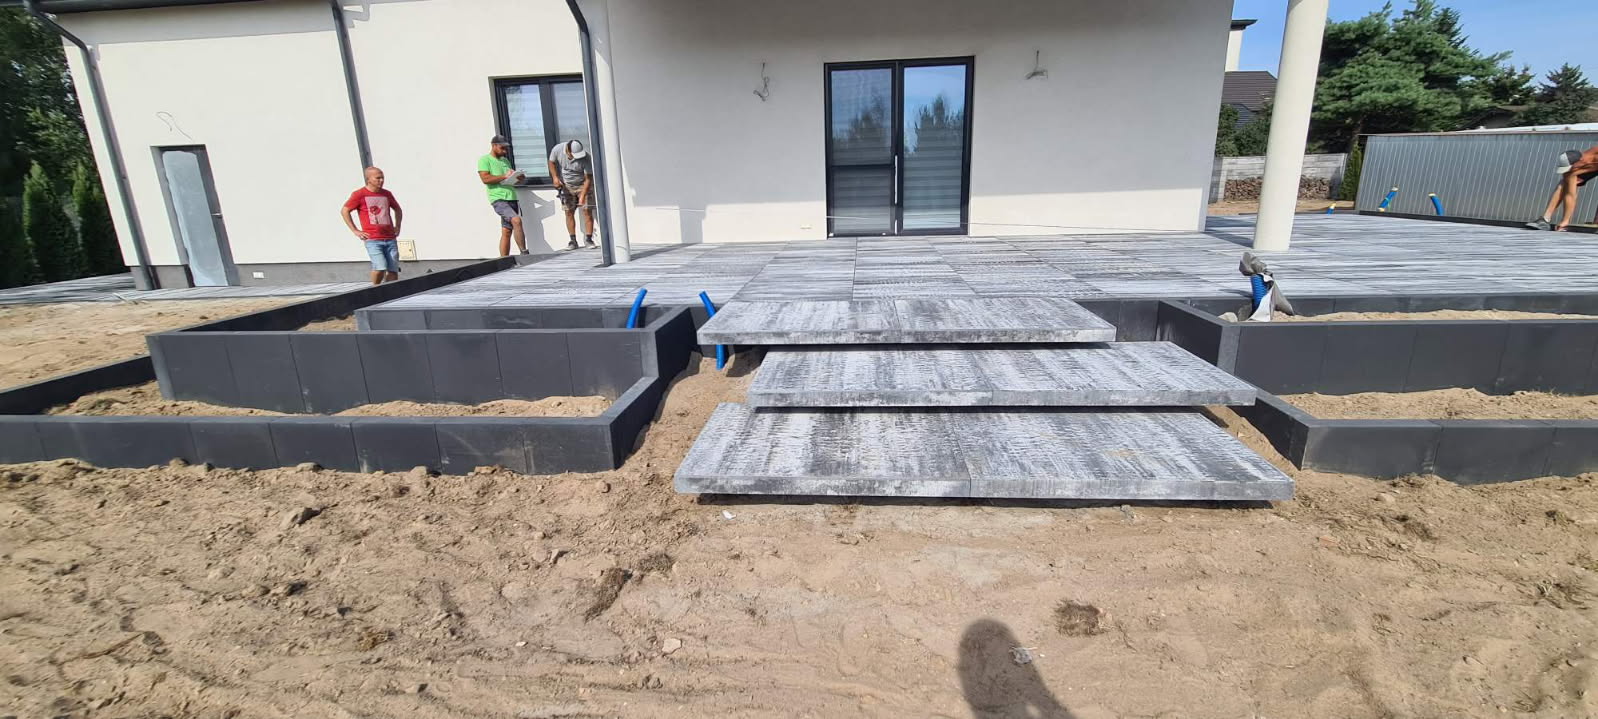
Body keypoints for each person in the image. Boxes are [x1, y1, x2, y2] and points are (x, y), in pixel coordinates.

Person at [340, 166, 403, 285]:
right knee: (380, 267)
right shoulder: (360, 194)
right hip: (373, 239)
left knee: (393, 269)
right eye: (377, 178)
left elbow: (398, 209)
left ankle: (390, 291)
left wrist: (397, 226)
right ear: (368, 179)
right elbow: (345, 210)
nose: (381, 180)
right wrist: (355, 230)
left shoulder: (386, 194)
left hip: (390, 237)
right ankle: (375, 289)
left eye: (382, 178)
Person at [477, 135, 528, 256]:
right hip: (498, 199)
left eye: (506, 148)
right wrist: (504, 176)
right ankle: (525, 253)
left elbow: (509, 180)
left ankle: (503, 259)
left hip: (511, 198)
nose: (505, 151)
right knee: (516, 220)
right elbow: (485, 179)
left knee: (506, 231)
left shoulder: (505, 161)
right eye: (502, 148)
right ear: (494, 145)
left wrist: (518, 178)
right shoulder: (485, 160)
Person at [1526, 146, 1598, 231]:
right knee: (1564, 183)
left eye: (1570, 168)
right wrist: (1565, 221)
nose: (1568, 170)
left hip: (1593, 165)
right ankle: (1545, 219)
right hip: (1591, 166)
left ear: (1579, 161)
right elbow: (1570, 194)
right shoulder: (1574, 168)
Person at [549, 139, 597, 250]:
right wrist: (555, 178)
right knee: (569, 212)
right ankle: (573, 241)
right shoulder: (557, 149)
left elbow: (588, 179)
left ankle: (589, 239)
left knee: (587, 211)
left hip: (583, 184)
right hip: (567, 185)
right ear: (568, 151)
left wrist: (582, 196)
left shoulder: (586, 158)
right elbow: (551, 162)